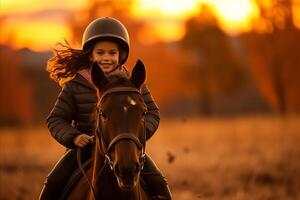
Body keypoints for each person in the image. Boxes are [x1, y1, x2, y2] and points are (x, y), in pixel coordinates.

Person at [39, 17, 172, 200]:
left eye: (112, 53)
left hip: (127, 148)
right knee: (53, 184)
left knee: (159, 184)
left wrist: (135, 136)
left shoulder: (134, 85)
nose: (106, 58)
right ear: (91, 55)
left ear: (121, 55)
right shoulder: (75, 85)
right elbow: (55, 119)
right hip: (84, 150)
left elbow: (153, 114)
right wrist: (74, 136)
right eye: (100, 53)